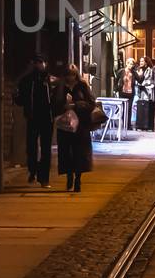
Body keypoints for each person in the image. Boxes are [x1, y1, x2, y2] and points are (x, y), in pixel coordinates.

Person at [52, 64, 95, 193]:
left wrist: (76, 105)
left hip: (80, 125)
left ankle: (78, 179)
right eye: (68, 75)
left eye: (72, 75)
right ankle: (69, 176)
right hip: (65, 125)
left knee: (79, 153)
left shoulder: (82, 86)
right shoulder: (60, 87)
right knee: (66, 152)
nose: (70, 78)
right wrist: (63, 106)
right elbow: (54, 104)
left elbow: (91, 103)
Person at [13, 55, 54, 187]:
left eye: (40, 62)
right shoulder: (27, 80)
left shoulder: (50, 80)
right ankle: (33, 170)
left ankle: (44, 178)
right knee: (31, 147)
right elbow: (20, 99)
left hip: (47, 117)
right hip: (33, 117)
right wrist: (15, 97)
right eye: (36, 63)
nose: (38, 65)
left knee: (46, 148)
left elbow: (56, 96)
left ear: (45, 64)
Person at [133, 57, 155, 131]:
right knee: (140, 108)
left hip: (148, 91)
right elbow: (136, 79)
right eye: (140, 61)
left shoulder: (150, 70)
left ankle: (148, 126)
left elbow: (151, 80)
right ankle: (140, 125)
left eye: (142, 61)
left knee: (148, 108)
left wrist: (143, 84)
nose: (141, 62)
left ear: (146, 62)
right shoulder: (138, 70)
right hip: (139, 91)